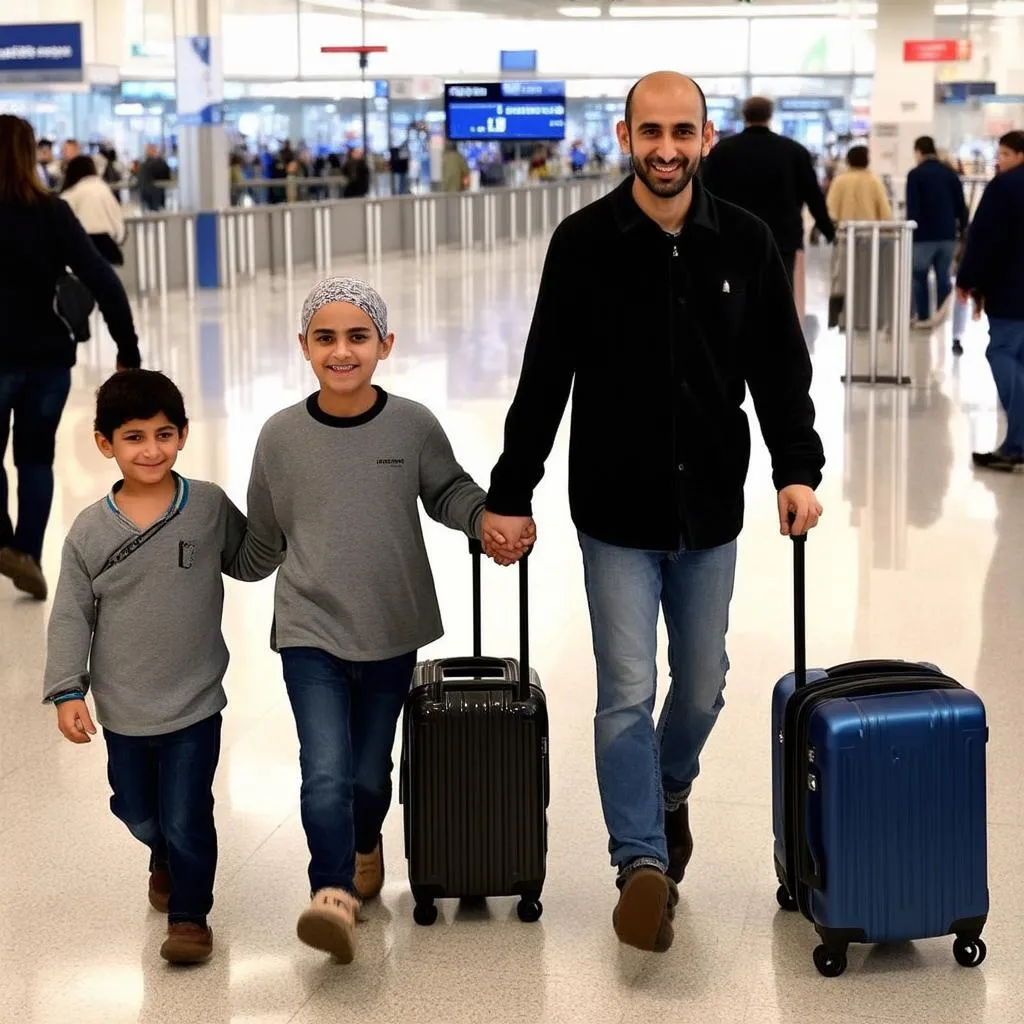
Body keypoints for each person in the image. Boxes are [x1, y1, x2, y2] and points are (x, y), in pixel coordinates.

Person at [480, 71, 825, 954]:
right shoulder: (584, 242)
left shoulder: (743, 241)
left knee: (703, 685)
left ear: (707, 137)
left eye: (682, 131)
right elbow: (544, 375)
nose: (665, 148)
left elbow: (781, 371)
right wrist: (512, 492)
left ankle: (667, 790)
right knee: (627, 693)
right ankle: (640, 862)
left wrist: (798, 468)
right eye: (650, 131)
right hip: (615, 509)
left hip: (710, 506)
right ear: (624, 135)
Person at [231, 277, 529, 964]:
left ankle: (367, 845)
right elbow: (262, 542)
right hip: (308, 628)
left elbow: (448, 491)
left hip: (392, 626)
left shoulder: (413, 424)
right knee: (326, 770)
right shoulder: (279, 436)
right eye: (326, 337)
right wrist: (187, 532)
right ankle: (331, 892)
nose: (342, 351)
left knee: (369, 774)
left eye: (358, 336)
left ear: (385, 345)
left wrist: (488, 522)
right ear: (304, 347)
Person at [41, 370, 270, 965]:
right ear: (104, 444)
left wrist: (283, 516)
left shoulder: (209, 507)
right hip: (124, 707)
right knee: (138, 808)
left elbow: (247, 562)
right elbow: (70, 615)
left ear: (184, 435)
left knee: (190, 811)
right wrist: (69, 691)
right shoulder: (90, 530)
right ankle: (161, 852)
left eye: (164, 434)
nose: (151, 449)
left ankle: (190, 916)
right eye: (134, 437)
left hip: (195, 700)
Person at [0, 115, 141, 602]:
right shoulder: (52, 213)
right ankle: (27, 554)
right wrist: (128, 347)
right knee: (36, 458)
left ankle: (4, 542)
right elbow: (103, 278)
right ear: (28, 156)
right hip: (47, 358)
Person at [701, 96, 835, 288]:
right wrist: (827, 229)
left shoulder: (722, 151)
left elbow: (705, 191)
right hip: (782, 237)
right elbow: (812, 194)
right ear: (770, 116)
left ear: (744, 115)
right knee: (778, 294)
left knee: (736, 295)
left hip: (733, 236)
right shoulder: (794, 151)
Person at [956, 130, 1024, 470]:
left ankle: (1018, 443)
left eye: (1007, 154)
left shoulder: (1005, 187)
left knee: (1003, 353)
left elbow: (983, 237)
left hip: (1012, 291)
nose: (1001, 160)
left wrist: (967, 280)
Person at [906, 136, 968, 328]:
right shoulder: (950, 174)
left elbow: (913, 207)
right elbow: (961, 206)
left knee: (919, 276)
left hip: (923, 235)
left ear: (919, 152)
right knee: (944, 276)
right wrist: (963, 229)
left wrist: (911, 228)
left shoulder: (915, 175)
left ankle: (924, 317)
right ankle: (942, 317)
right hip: (947, 234)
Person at [60, 154, 126, 265]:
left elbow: (62, 222)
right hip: (106, 245)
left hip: (81, 246)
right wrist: (118, 237)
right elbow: (116, 218)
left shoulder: (71, 194)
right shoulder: (103, 188)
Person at [825, 145, 892, 223]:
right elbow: (885, 212)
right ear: (867, 160)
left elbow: (831, 210)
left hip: (845, 231)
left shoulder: (839, 181)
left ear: (848, 160)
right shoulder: (874, 181)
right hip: (869, 231)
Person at [137, 143, 171, 213]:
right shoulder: (158, 162)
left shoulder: (143, 165)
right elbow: (166, 175)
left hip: (146, 196)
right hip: (156, 196)